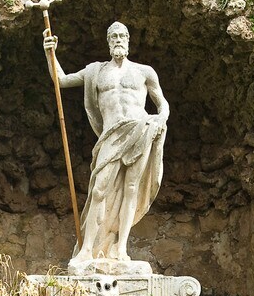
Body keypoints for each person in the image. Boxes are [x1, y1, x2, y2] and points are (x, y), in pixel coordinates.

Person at [43, 22, 168, 271]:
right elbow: (61, 80)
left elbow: (162, 103)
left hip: (140, 129)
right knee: (99, 190)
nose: (118, 40)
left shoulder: (145, 72)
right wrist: (50, 53)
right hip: (110, 135)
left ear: (129, 40)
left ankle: (121, 248)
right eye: (114, 36)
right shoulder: (95, 72)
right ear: (108, 41)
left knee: (131, 188)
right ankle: (87, 249)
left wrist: (159, 120)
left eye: (122, 36)